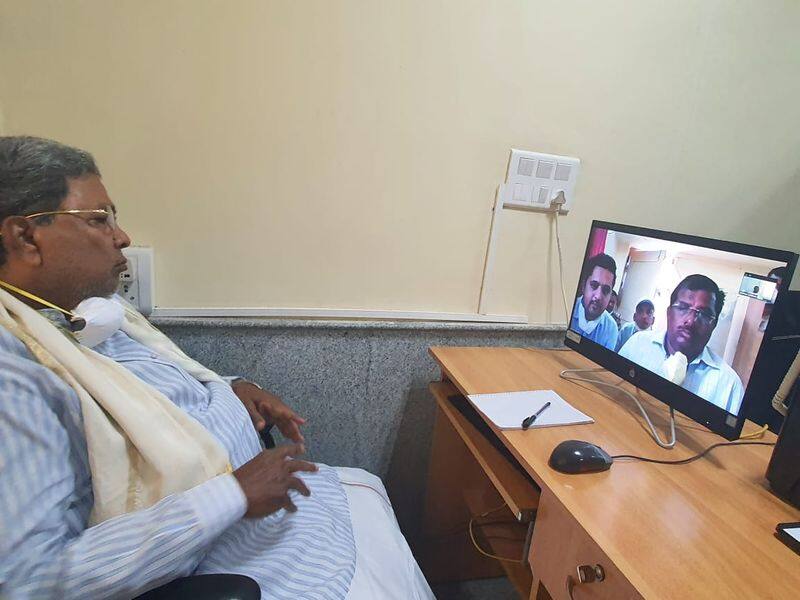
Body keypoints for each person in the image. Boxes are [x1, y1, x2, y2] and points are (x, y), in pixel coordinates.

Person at [0, 136, 433, 599]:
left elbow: (145, 395)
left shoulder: (78, 315)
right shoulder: (15, 378)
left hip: (259, 516)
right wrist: (232, 496)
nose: (122, 236)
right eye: (98, 219)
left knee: (363, 488)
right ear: (25, 237)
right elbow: (29, 580)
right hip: (222, 559)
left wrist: (230, 387)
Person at [618, 274, 744, 414]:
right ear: (668, 313)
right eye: (683, 307)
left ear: (714, 324)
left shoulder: (728, 385)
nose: (690, 321)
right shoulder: (638, 344)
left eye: (704, 314)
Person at [570, 253, 619, 350]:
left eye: (605, 290)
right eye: (594, 285)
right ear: (583, 286)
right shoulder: (568, 308)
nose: (598, 296)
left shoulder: (611, 329)